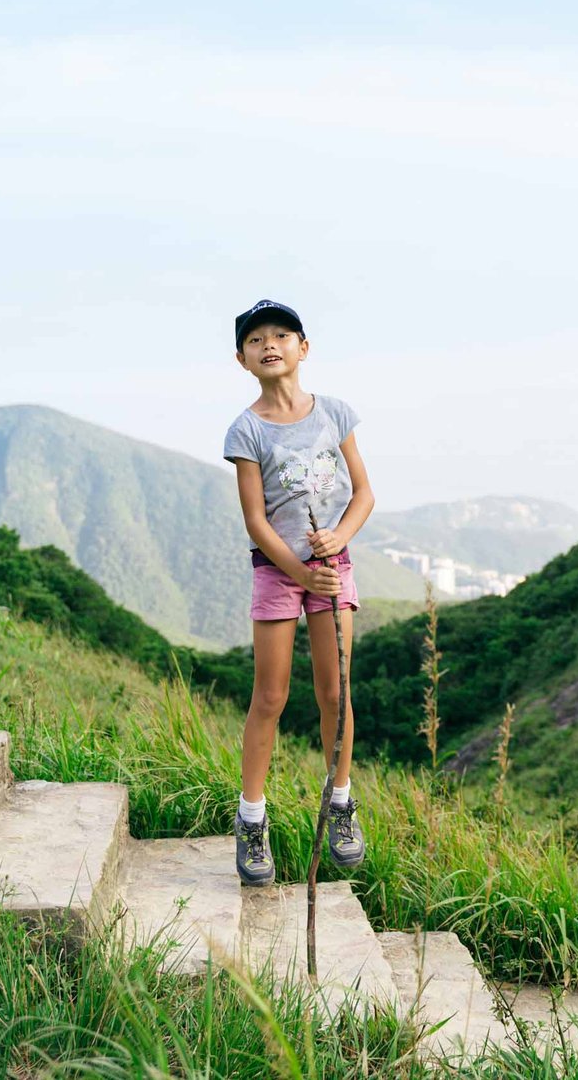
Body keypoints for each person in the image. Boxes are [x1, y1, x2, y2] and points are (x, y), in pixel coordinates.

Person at [222, 299, 374, 886]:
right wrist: (300, 571)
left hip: (333, 569)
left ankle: (340, 803)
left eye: (282, 335)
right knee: (271, 696)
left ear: (303, 347)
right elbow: (256, 520)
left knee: (335, 694)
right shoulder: (247, 429)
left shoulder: (335, 413)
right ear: (243, 359)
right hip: (278, 571)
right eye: (257, 339)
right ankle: (252, 819)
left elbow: (363, 492)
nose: (271, 345)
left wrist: (337, 539)